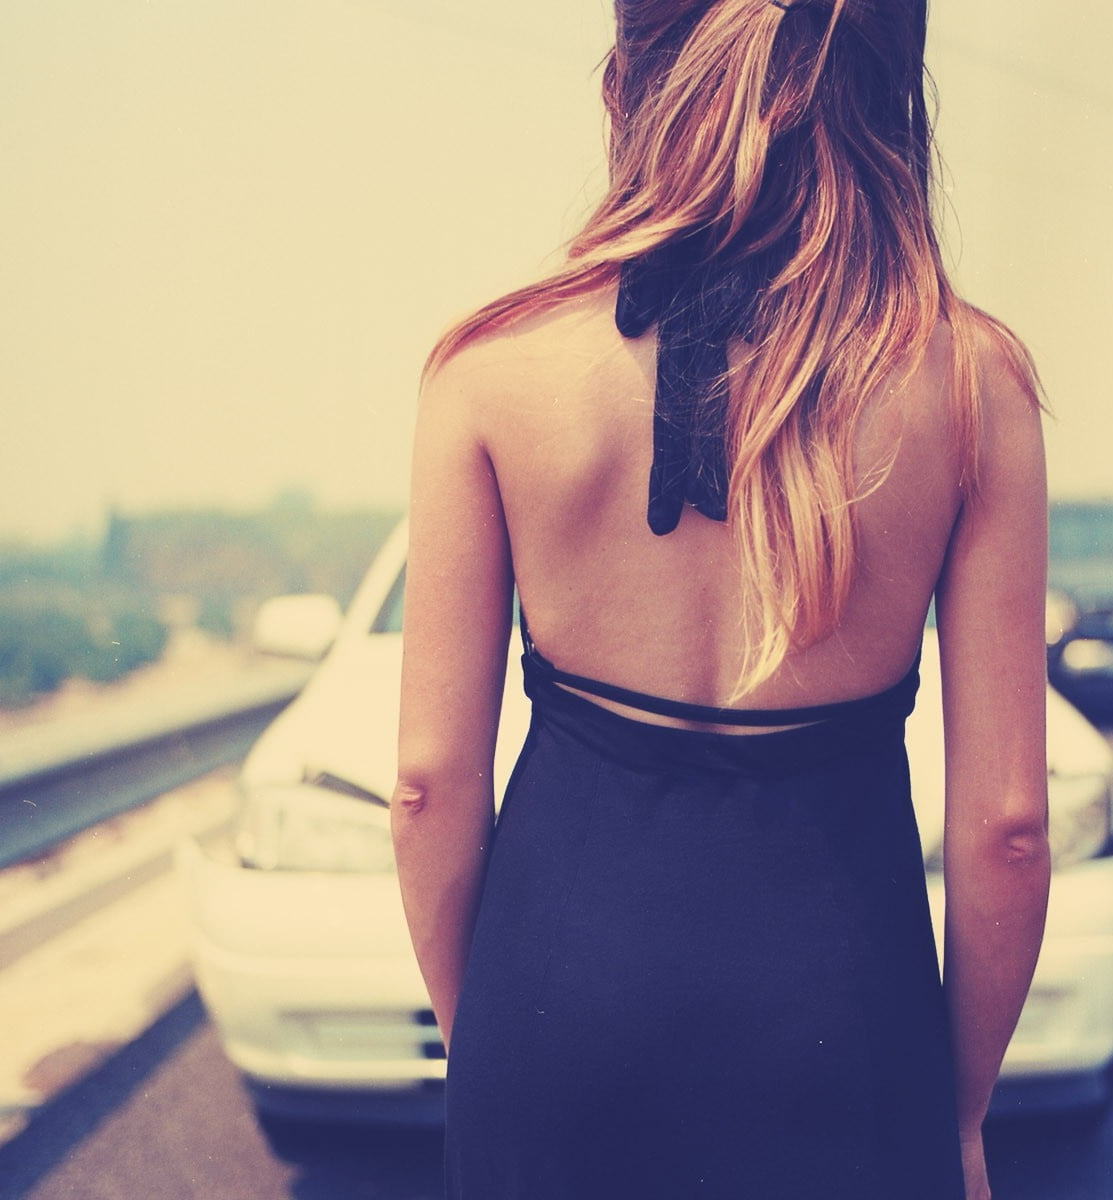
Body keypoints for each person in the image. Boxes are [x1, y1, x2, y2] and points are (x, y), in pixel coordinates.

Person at [391, 1, 1050, 1196]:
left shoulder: (485, 373)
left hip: (553, 1019)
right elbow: (1008, 826)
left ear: (625, 89)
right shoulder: (972, 383)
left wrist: (489, 1038)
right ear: (891, 93)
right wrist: (955, 1117)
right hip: (846, 1034)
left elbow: (428, 791)